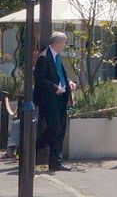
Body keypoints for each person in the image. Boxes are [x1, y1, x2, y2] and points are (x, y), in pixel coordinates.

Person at [34, 31, 76, 172]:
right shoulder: (44, 57)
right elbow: (39, 80)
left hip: (61, 98)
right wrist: (54, 88)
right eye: (63, 42)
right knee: (54, 129)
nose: (64, 45)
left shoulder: (57, 57)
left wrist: (68, 82)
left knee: (60, 130)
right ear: (57, 43)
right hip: (49, 99)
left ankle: (56, 162)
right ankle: (31, 149)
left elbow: (59, 74)